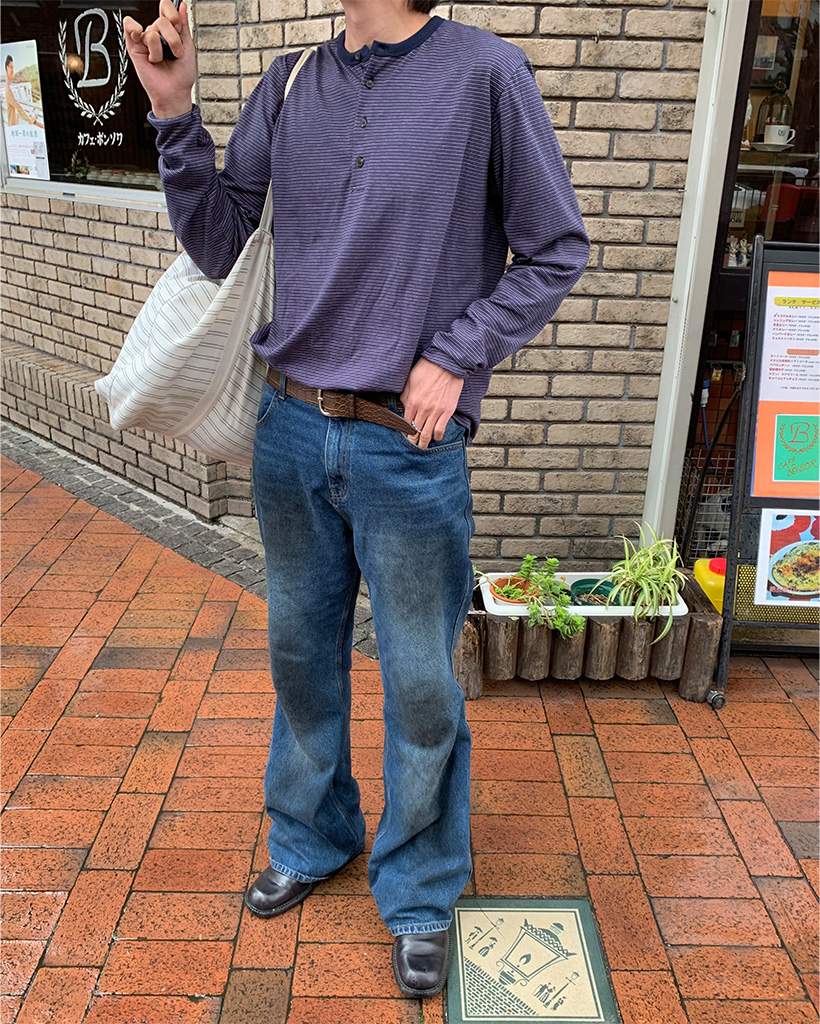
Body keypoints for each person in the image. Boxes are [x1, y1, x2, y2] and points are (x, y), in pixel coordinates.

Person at [124, 0, 589, 999]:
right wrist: (173, 112)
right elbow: (219, 245)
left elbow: (556, 247)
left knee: (420, 680)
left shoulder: (485, 76)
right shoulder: (292, 81)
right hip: (289, 428)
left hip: (407, 447)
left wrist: (457, 356)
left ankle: (419, 889)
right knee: (300, 657)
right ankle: (312, 834)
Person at [4, 56, 42, 129]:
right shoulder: (8, 89)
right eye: (11, 67)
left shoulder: (8, 86)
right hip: (13, 128)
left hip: (13, 126)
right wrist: (30, 120)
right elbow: (18, 107)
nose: (13, 70)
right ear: (7, 68)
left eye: (13, 67)